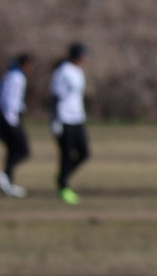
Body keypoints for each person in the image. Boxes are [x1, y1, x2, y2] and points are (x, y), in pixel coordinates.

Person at [50, 42, 90, 204]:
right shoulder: (63, 71)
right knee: (66, 155)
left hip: (77, 118)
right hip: (64, 118)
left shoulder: (78, 71)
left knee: (84, 153)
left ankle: (61, 177)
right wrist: (55, 120)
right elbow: (54, 96)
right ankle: (64, 187)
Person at [0, 53, 34, 198]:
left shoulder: (10, 76)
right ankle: (3, 175)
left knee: (12, 151)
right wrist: (12, 119)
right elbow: (9, 99)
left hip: (7, 117)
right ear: (24, 64)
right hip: (10, 118)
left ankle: (8, 182)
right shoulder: (17, 78)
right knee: (23, 150)